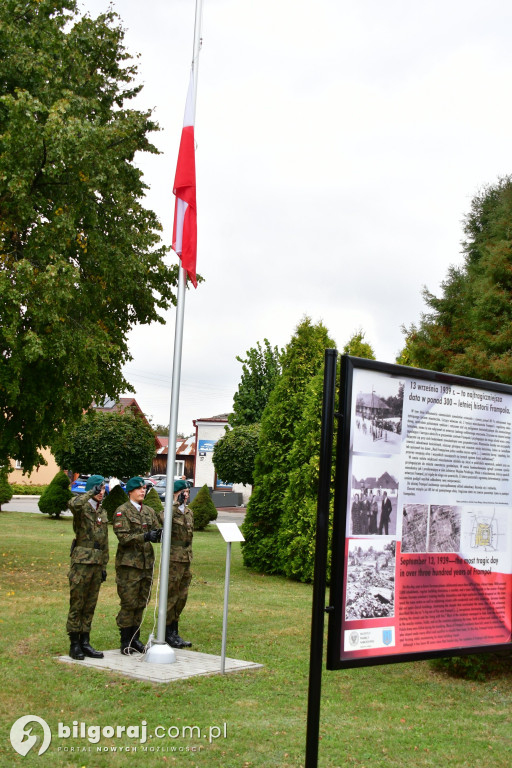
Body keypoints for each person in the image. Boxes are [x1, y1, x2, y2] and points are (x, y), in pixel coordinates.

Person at [113, 476, 163, 655]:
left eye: (144, 488)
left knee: (142, 601)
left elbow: (156, 532)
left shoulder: (149, 511)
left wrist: (159, 535)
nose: (143, 491)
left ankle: (135, 639)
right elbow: (124, 537)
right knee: (129, 602)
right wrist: (145, 536)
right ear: (130, 492)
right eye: (139, 488)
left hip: (146, 563)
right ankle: (125, 640)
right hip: (129, 565)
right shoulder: (122, 511)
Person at [66, 475, 108, 660]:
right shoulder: (81, 507)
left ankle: (85, 641)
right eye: (99, 489)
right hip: (82, 562)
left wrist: (104, 565)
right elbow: (72, 504)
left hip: (97, 563)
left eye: (103, 489)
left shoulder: (102, 512)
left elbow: (105, 541)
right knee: (78, 603)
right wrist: (89, 492)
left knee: (90, 604)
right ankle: (74, 643)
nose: (102, 492)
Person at [161, 479, 194, 649]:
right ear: (175, 493)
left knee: (182, 596)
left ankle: (174, 630)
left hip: (185, 558)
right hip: (173, 559)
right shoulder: (169, 511)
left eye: (187, 492)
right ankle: (166, 632)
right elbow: (163, 520)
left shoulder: (188, 512)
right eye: (182, 492)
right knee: (171, 596)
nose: (186, 495)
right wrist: (174, 504)